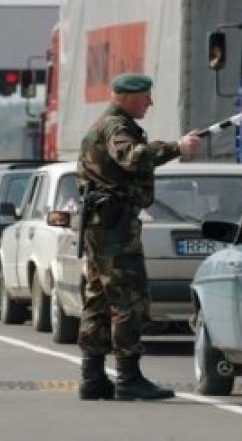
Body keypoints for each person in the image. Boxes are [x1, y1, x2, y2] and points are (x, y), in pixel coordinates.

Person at [77, 72, 201, 401]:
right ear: (128, 97)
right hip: (114, 227)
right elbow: (132, 157)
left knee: (99, 300)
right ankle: (128, 377)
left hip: (104, 225)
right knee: (128, 299)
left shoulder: (108, 125)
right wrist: (177, 148)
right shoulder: (116, 127)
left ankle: (93, 377)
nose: (150, 102)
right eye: (146, 97)